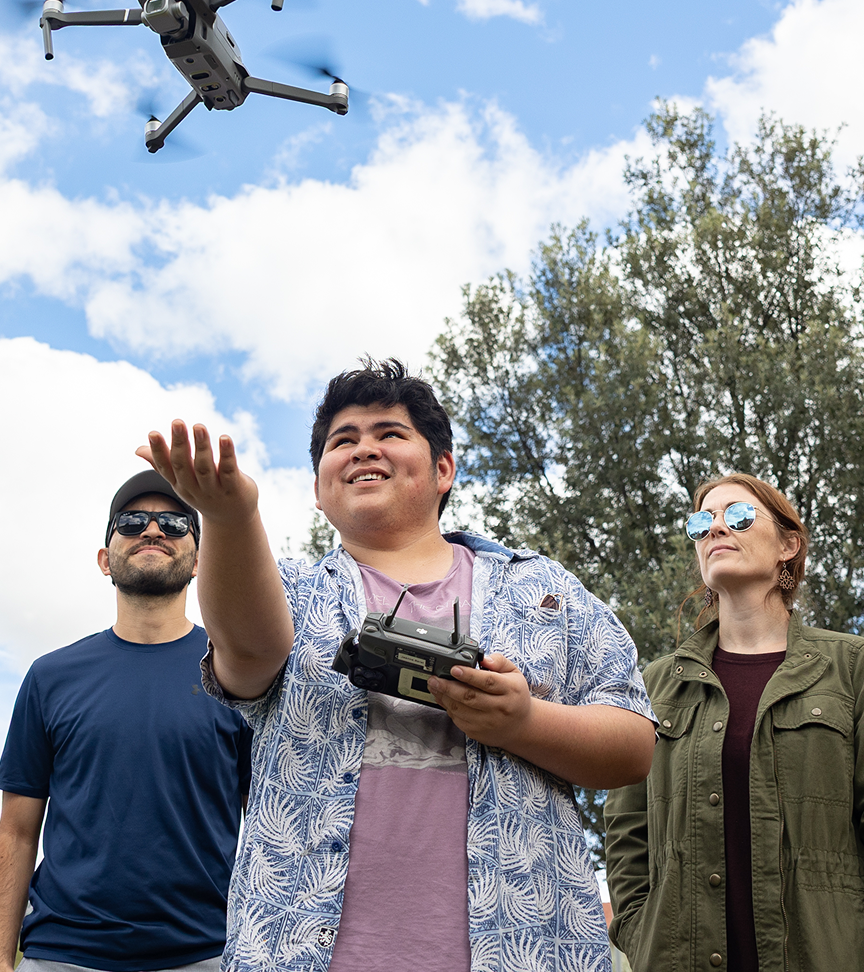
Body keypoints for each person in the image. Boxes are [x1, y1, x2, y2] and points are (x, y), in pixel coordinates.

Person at [137, 358, 656, 972]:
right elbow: (246, 655)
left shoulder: (547, 593)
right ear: (318, 487)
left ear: (443, 469)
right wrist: (229, 516)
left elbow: (634, 744)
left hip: (528, 948)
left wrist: (522, 723)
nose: (363, 449)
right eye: (342, 440)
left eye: (389, 433)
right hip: (301, 952)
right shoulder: (289, 593)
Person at [605, 473, 864, 972]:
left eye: (737, 516)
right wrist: (641, 929)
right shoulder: (656, 685)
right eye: (701, 523)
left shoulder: (854, 667)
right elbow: (627, 833)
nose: (714, 531)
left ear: (788, 545)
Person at [0, 470, 252, 972]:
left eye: (175, 523)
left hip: (207, 954)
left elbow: (264, 827)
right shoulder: (50, 676)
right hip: (62, 954)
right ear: (106, 559)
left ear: (199, 561)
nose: (153, 530)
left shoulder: (240, 672)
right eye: (131, 522)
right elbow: (17, 833)